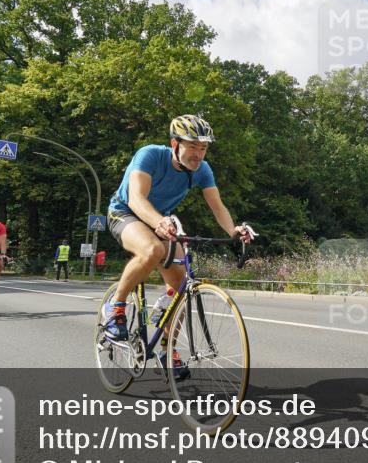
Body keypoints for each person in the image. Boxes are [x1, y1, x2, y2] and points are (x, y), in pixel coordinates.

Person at [103, 114, 255, 376]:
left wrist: (233, 231)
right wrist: (159, 222)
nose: (199, 154)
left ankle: (166, 351)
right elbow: (138, 199)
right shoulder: (150, 155)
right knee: (152, 249)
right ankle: (114, 307)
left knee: (181, 286)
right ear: (175, 144)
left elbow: (218, 207)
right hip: (126, 213)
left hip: (162, 221)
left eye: (203, 148)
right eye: (193, 147)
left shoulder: (202, 171)